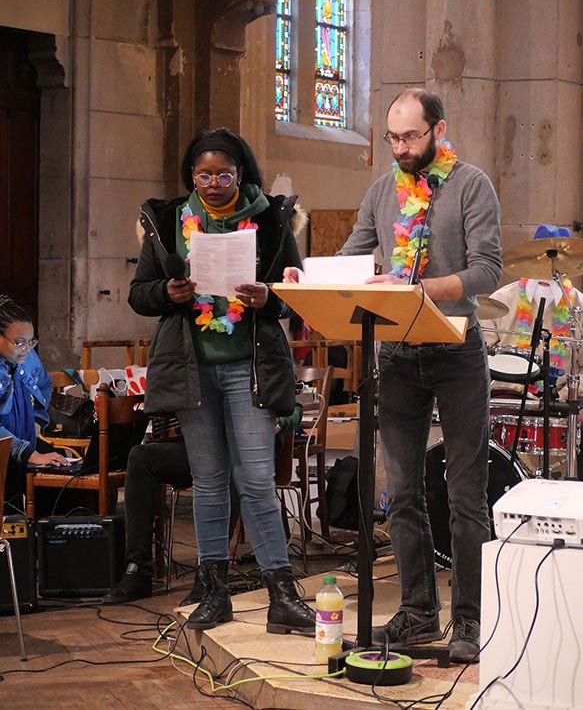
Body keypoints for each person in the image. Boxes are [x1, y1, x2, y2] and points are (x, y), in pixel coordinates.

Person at [285, 88, 502, 662]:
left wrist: (417, 288)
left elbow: (487, 270)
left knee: (465, 496)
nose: (401, 148)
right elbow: (352, 258)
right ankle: (417, 615)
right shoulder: (382, 192)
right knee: (402, 493)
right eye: (393, 138)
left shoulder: (471, 184)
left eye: (411, 136)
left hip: (456, 349)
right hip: (398, 355)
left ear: (438, 130)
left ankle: (470, 620)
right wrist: (306, 276)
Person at [127, 128, 315, 635]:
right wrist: (168, 293)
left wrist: (269, 299)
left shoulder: (271, 219)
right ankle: (214, 593)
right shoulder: (168, 222)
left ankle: (281, 595)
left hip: (249, 369)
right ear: (192, 176)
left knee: (255, 480)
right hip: (193, 371)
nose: (213, 184)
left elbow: (298, 292)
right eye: (203, 175)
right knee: (209, 483)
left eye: (223, 175)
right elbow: (139, 294)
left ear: (240, 174)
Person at [101, 403, 303, 607]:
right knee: (141, 457)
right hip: (202, 446)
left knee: (229, 461)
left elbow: (295, 409)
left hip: (244, 452)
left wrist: (278, 420)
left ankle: (210, 574)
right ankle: (138, 569)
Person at [483, 224, 583, 398]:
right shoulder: (501, 299)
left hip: (563, 397)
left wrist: (567, 393)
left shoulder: (578, 305)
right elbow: (481, 355)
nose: (546, 269)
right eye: (540, 260)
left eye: (555, 262)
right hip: (509, 393)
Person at [0, 295, 71, 506]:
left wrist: (37, 422)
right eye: (20, 342)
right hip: (5, 452)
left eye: (31, 341)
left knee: (64, 476)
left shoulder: (26, 356)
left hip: (23, 444)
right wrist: (28, 453)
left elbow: (45, 383)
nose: (27, 349)